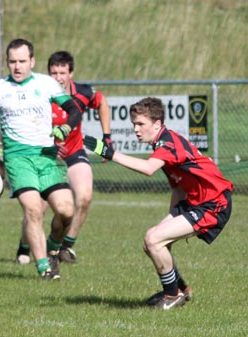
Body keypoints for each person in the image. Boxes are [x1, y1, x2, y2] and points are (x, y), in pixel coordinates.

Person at [84, 97, 233, 310]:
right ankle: (181, 288)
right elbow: (178, 188)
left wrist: (110, 153)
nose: (136, 129)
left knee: (154, 239)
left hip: (213, 203)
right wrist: (171, 220)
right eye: (134, 124)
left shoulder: (168, 143)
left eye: (140, 124)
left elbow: (148, 168)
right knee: (152, 242)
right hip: (195, 200)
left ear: (157, 124)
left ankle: (172, 295)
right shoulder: (162, 142)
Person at [0, 38, 82, 280]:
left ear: (32, 61)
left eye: (22, 61)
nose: (17, 67)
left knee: (66, 211)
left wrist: (65, 128)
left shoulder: (46, 84)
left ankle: (53, 246)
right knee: (33, 210)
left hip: (46, 156)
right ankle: (44, 266)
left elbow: (74, 110)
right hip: (18, 158)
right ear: (7, 63)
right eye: (12, 62)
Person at [15, 50, 112, 264]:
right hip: (46, 156)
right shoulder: (38, 94)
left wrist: (107, 137)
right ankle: (24, 246)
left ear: (71, 74)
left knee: (85, 197)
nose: (58, 77)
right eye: (53, 73)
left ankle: (66, 246)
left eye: (62, 73)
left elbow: (102, 102)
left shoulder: (83, 92)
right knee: (37, 207)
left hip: (74, 152)